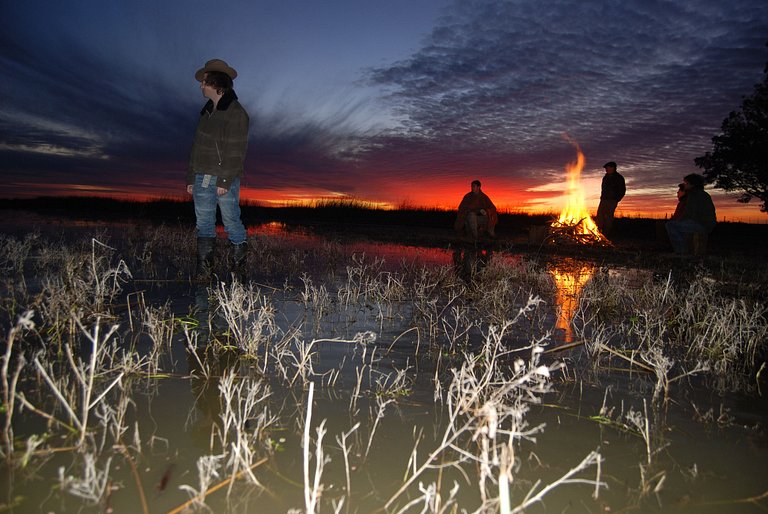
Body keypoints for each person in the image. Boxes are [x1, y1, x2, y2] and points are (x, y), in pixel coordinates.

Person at [186, 59, 250, 277]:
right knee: (204, 224)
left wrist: (224, 180)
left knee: (231, 221)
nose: (201, 86)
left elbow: (236, 150)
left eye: (204, 81)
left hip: (224, 177)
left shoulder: (236, 112)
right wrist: (191, 177)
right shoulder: (206, 113)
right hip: (201, 176)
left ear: (215, 82)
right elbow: (196, 147)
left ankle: (238, 272)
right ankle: (204, 274)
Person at [665, 173, 716, 254]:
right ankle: (684, 250)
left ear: (692, 184)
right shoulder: (701, 194)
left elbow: (689, 213)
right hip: (704, 223)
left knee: (671, 225)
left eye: (686, 183)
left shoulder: (694, 195)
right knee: (676, 224)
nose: (684, 185)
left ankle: (681, 251)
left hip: (701, 224)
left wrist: (678, 221)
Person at [595, 161, 625, 237]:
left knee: (608, 217)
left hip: (612, 200)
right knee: (599, 216)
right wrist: (602, 198)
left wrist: (616, 199)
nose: (606, 169)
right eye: (606, 168)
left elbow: (622, 190)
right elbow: (603, 189)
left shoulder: (618, 178)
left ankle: (605, 235)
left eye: (608, 168)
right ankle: (598, 232)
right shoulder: (605, 177)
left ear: (613, 168)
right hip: (604, 200)